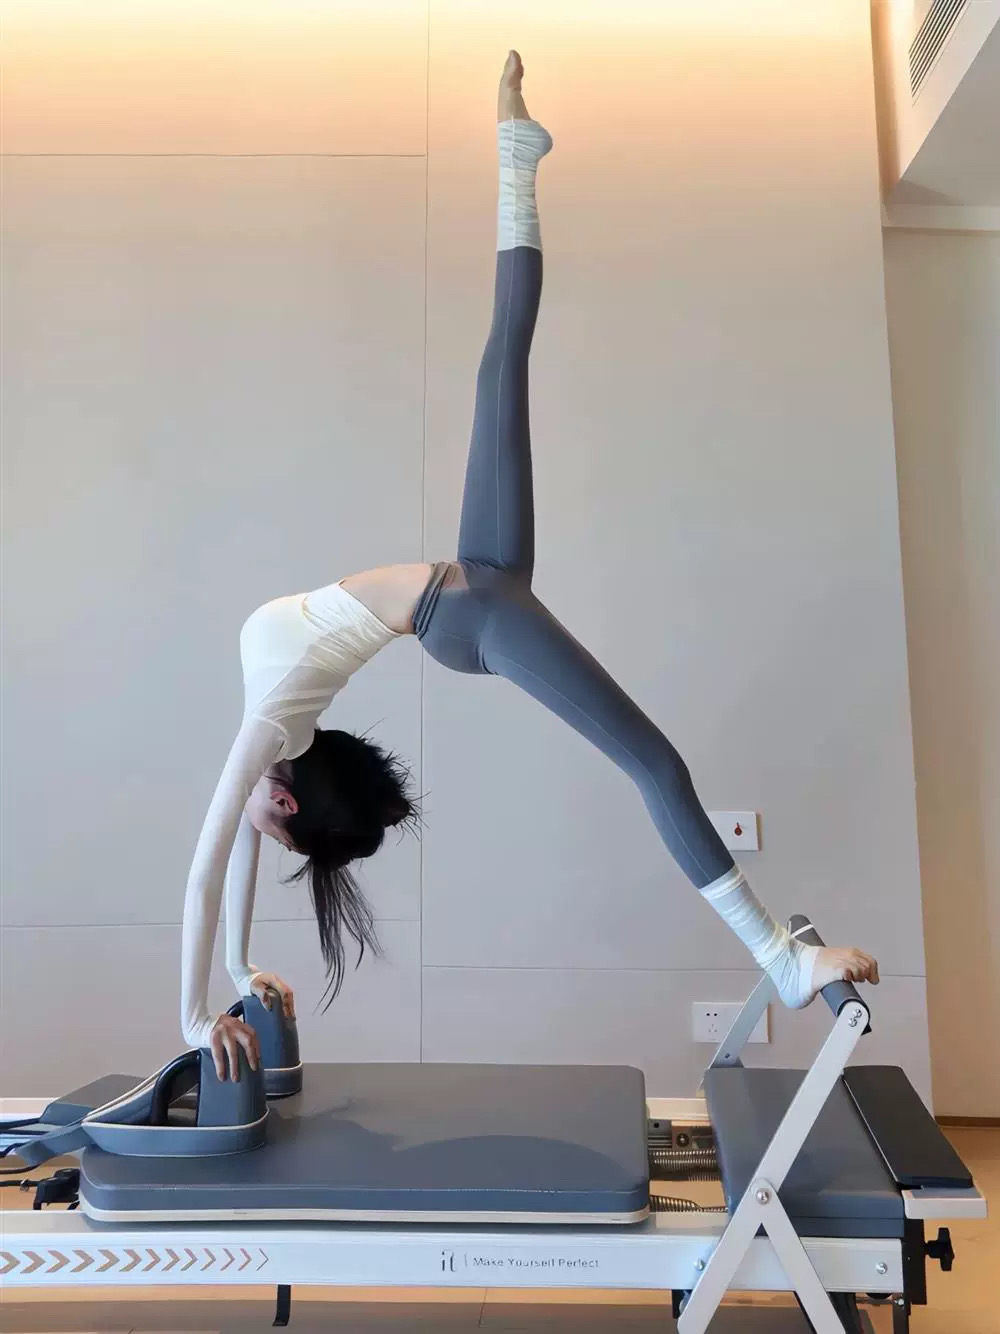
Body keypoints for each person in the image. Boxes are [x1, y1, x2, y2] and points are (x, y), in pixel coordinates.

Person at [183, 52, 880, 1081]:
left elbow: (215, 867)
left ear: (283, 804)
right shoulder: (269, 729)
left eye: (277, 841)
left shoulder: (268, 734)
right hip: (469, 614)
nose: (260, 838)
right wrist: (205, 1001)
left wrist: (227, 979)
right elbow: (217, 865)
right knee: (657, 765)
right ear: (287, 798)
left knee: (501, 357)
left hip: (473, 573)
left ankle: (517, 154)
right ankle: (780, 959)